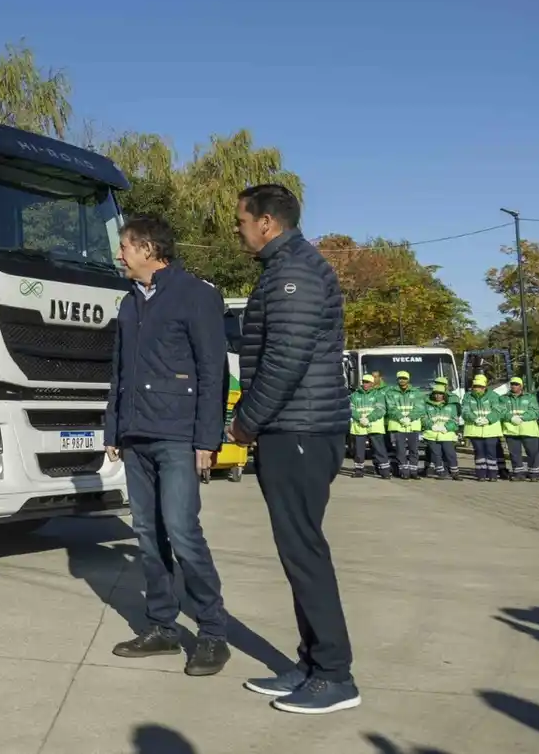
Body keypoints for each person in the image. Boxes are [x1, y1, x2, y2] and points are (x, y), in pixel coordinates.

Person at [228, 183, 359, 715]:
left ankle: (334, 674)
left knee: (304, 551)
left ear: (267, 223)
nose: (238, 230)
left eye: (242, 221)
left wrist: (247, 421)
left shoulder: (293, 274)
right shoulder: (287, 268)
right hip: (297, 426)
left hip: (299, 429)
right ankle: (310, 663)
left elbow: (285, 359)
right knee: (296, 550)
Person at [103, 214, 232, 676]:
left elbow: (213, 370)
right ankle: (161, 627)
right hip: (136, 437)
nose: (121, 254)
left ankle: (213, 634)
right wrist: (114, 428)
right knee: (147, 533)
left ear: (148, 248)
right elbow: (119, 372)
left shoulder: (196, 295)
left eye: (126, 246)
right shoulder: (128, 302)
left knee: (182, 531)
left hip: (178, 435)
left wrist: (206, 438)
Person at [461, 375, 505, 482]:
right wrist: (474, 419)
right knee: (479, 452)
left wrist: (488, 419)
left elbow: (498, 410)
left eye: (480, 386)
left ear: (484, 387)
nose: (477, 388)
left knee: (491, 452)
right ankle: (481, 474)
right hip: (474, 429)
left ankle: (493, 474)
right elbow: (465, 410)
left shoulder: (493, 396)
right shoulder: (468, 396)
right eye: (475, 386)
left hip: (491, 429)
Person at [384, 371, 426, 480]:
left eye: (404, 378)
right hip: (398, 425)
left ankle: (413, 471)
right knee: (400, 450)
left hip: (413, 425)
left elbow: (420, 408)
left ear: (408, 379)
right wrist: (401, 418)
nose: (402, 380)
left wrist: (410, 418)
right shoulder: (391, 392)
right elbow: (390, 407)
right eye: (400, 378)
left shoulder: (416, 392)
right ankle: (404, 471)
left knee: (414, 450)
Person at [348, 374, 391, 479]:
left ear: (372, 383)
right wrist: (359, 418)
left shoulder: (378, 395)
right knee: (359, 450)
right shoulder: (354, 395)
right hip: (359, 426)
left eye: (367, 382)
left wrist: (368, 419)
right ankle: (359, 471)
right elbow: (350, 409)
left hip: (374, 426)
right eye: (364, 382)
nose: (365, 384)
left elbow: (381, 410)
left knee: (379, 450)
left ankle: (385, 472)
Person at [499, 377, 539, 482]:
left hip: (528, 430)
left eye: (516, 384)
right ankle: (518, 474)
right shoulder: (504, 398)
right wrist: (511, 418)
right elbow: (501, 411)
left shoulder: (530, 397)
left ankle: (534, 474)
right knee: (514, 454)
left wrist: (523, 417)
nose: (514, 386)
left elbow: (535, 411)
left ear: (521, 386)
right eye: (512, 384)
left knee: (532, 453)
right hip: (511, 430)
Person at [421, 381, 461, 480]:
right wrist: (431, 426)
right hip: (431, 434)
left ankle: (455, 473)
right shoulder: (427, 405)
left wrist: (446, 427)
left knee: (450, 453)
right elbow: (423, 418)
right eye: (435, 393)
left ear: (444, 395)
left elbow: (455, 420)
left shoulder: (451, 406)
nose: (438, 396)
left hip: (446, 434)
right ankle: (440, 472)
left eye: (440, 394)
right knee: (436, 454)